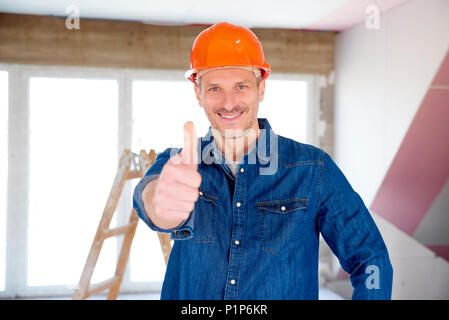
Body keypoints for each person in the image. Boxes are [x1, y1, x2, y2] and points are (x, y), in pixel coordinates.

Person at [133, 21, 393, 300]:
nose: (229, 103)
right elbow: (147, 197)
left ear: (261, 88)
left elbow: (370, 259)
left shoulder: (313, 169)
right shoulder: (178, 164)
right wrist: (158, 200)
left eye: (241, 86)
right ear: (198, 94)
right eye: (214, 89)